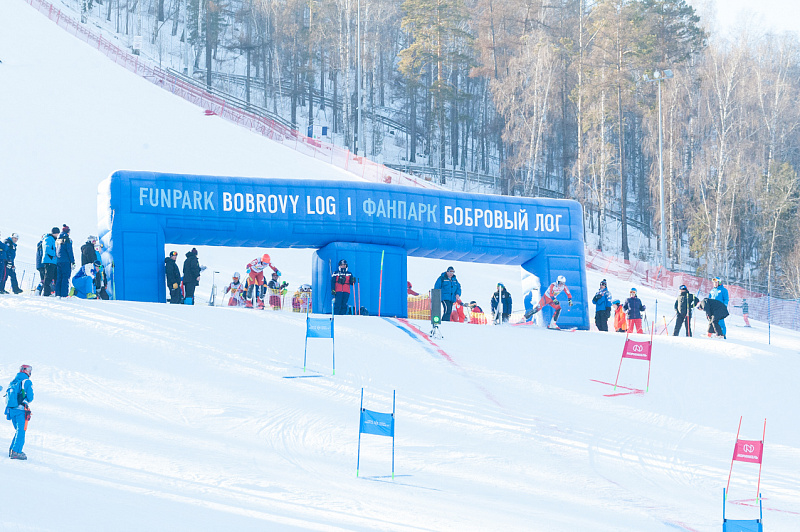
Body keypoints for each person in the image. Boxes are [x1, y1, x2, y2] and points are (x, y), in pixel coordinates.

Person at [5, 364, 34, 460]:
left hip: (11, 410)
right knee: (21, 431)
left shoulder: (13, 381)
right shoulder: (27, 382)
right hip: (20, 410)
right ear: (27, 371)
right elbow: (30, 397)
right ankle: (16, 452)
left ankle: (13, 449)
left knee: (19, 430)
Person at [55, 224, 75, 297]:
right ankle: (64, 294)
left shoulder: (58, 240)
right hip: (66, 261)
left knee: (59, 277)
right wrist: (72, 261)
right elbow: (69, 251)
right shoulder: (67, 239)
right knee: (65, 277)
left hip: (59, 260)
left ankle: (58, 293)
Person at [41, 227, 60, 297]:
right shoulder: (48, 239)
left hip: (54, 261)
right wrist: (55, 254)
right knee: (48, 276)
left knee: (55, 276)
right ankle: (46, 292)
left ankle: (54, 292)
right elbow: (47, 249)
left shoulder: (54, 240)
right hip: (49, 260)